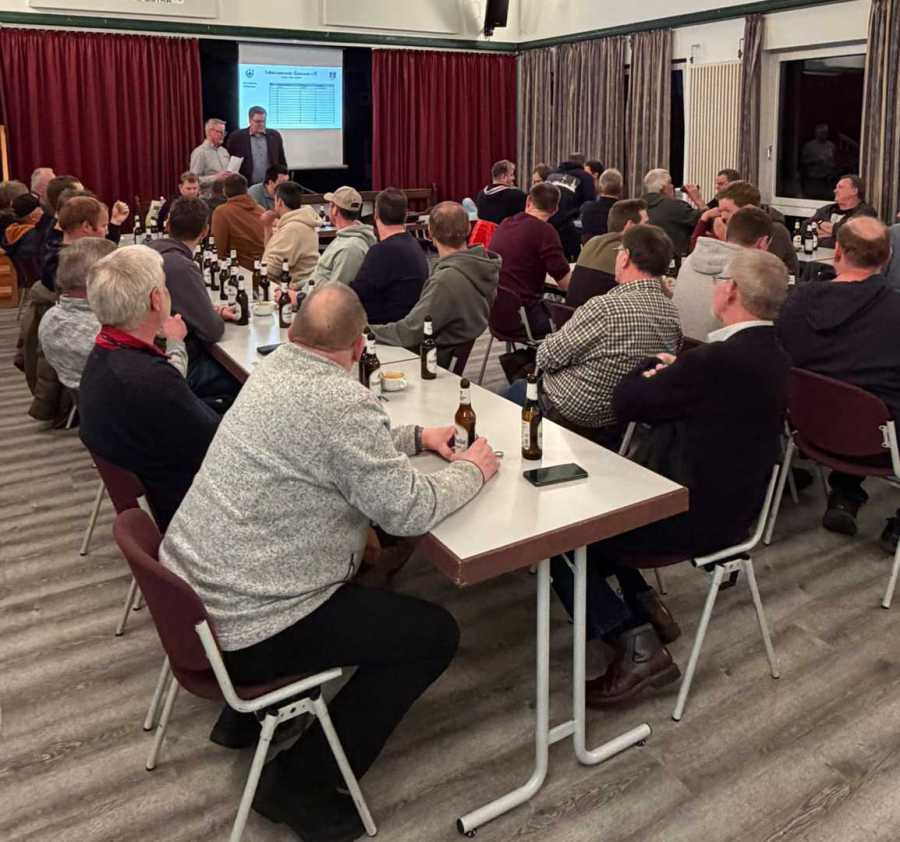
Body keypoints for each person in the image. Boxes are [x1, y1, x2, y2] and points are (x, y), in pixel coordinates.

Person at [159, 281, 498, 841]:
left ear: (295, 332)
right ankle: (301, 784)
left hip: (198, 598)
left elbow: (333, 444)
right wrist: (474, 469)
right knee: (434, 634)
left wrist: (417, 437)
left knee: (371, 585)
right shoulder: (341, 401)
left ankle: (247, 719)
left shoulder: (273, 367)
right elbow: (408, 510)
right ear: (359, 345)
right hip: (252, 624)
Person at [551, 248, 790, 707]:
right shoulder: (777, 358)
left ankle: (634, 644)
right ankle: (644, 604)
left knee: (559, 535)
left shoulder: (711, 363)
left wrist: (648, 368)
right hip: (739, 509)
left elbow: (627, 402)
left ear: (730, 291)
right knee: (597, 515)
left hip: (686, 513)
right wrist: (678, 374)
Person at [777, 217, 900, 550]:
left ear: (837, 252)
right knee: (871, 396)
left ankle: (845, 495)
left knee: (852, 390)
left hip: (808, 432)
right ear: (888, 257)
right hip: (879, 445)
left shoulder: (795, 302)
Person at [79, 245, 219, 531]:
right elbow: (218, 445)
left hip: (157, 482)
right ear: (156, 299)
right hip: (191, 507)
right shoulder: (150, 380)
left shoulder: (104, 353)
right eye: (165, 287)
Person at [511, 224, 682, 447]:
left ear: (625, 258)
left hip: (568, 416)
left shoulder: (604, 308)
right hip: (621, 426)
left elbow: (545, 357)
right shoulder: (673, 316)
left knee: (506, 397)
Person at [371, 201, 500, 367]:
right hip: (444, 353)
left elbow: (408, 333)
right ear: (469, 228)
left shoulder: (445, 281)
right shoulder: (483, 266)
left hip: (428, 361)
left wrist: (364, 330)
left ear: (430, 232)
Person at [150, 197, 240, 400]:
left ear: (167, 224)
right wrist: (210, 315)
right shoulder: (180, 266)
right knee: (243, 379)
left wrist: (208, 311)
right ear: (205, 231)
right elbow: (212, 330)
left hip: (148, 358)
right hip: (174, 363)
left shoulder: (151, 251)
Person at [674, 205, 773, 340]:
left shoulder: (690, 259)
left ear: (727, 233)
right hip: (720, 349)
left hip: (678, 346)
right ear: (763, 242)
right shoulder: (750, 274)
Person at [489, 182, 571, 339]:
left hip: (495, 316)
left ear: (528, 201)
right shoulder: (545, 232)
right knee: (579, 317)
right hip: (526, 319)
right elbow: (566, 284)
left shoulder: (506, 223)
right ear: (555, 210)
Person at [37, 238, 114, 390]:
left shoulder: (49, 317)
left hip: (76, 397)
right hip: (112, 398)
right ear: (102, 279)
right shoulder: (101, 333)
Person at [350, 187, 429, 323]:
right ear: (405, 215)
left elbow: (356, 296)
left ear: (376, 215)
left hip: (383, 329)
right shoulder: (414, 245)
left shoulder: (382, 252)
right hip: (409, 324)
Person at [690, 180, 798, 275]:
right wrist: (704, 219)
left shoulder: (775, 230)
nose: (722, 216)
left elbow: (753, 273)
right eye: (720, 210)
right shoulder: (726, 225)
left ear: (748, 209)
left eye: (727, 211)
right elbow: (699, 257)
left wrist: (727, 240)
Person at [566, 198, 649, 308]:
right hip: (603, 316)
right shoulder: (629, 253)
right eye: (646, 223)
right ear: (630, 226)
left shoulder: (591, 243)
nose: (649, 228)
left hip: (572, 316)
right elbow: (655, 294)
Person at [308, 186, 376, 286]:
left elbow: (337, 290)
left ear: (335, 210)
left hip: (318, 295)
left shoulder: (350, 248)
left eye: (331, 205)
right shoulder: (344, 237)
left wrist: (300, 294)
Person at [261, 181, 321, 286]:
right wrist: (267, 227)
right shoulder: (300, 222)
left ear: (279, 202)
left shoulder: (292, 229)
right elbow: (272, 252)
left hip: (293, 288)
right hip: (301, 285)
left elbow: (271, 270)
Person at [642, 168, 704, 256]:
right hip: (674, 261)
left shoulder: (637, 206)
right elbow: (705, 221)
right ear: (663, 187)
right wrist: (698, 199)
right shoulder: (675, 206)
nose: (673, 186)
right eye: (670, 183)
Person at [547, 154, 597, 260]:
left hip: (546, 223)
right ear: (583, 164)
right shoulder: (585, 177)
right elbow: (589, 204)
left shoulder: (552, 175)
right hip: (568, 227)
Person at [211, 173, 265, 270]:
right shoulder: (261, 209)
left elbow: (218, 250)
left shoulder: (222, 212)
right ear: (246, 190)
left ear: (224, 191)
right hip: (264, 266)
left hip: (242, 269)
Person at [808, 174, 877, 248]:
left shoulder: (866, 212)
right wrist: (833, 232)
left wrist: (822, 230)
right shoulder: (827, 209)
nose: (835, 191)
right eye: (836, 187)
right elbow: (805, 227)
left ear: (854, 191)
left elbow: (849, 233)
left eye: (840, 187)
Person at [226, 106, 288, 186]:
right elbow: (229, 160)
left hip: (270, 185)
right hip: (246, 185)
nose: (261, 124)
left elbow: (281, 160)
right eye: (258, 121)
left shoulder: (274, 136)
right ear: (250, 120)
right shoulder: (237, 137)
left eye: (263, 121)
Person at [475, 160, 527, 224]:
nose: (514, 178)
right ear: (503, 176)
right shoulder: (516, 196)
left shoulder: (480, 195)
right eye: (511, 175)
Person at [579, 168, 624, 242]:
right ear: (620, 187)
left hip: (589, 248)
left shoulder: (586, 208)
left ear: (600, 185)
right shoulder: (624, 212)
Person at [190, 119, 231, 197]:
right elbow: (193, 181)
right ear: (210, 132)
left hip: (225, 196)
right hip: (208, 199)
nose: (223, 135)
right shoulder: (200, 152)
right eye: (220, 132)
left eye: (224, 133)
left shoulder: (224, 151)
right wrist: (215, 178)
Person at [1, 192, 45, 265]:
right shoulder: (33, 237)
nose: (43, 211)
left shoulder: (10, 231)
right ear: (33, 215)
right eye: (40, 208)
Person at [801, 123, 837, 199]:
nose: (823, 134)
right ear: (816, 133)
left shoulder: (831, 145)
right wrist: (816, 160)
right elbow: (803, 161)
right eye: (821, 132)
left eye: (825, 132)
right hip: (814, 179)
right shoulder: (809, 146)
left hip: (828, 179)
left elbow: (835, 160)